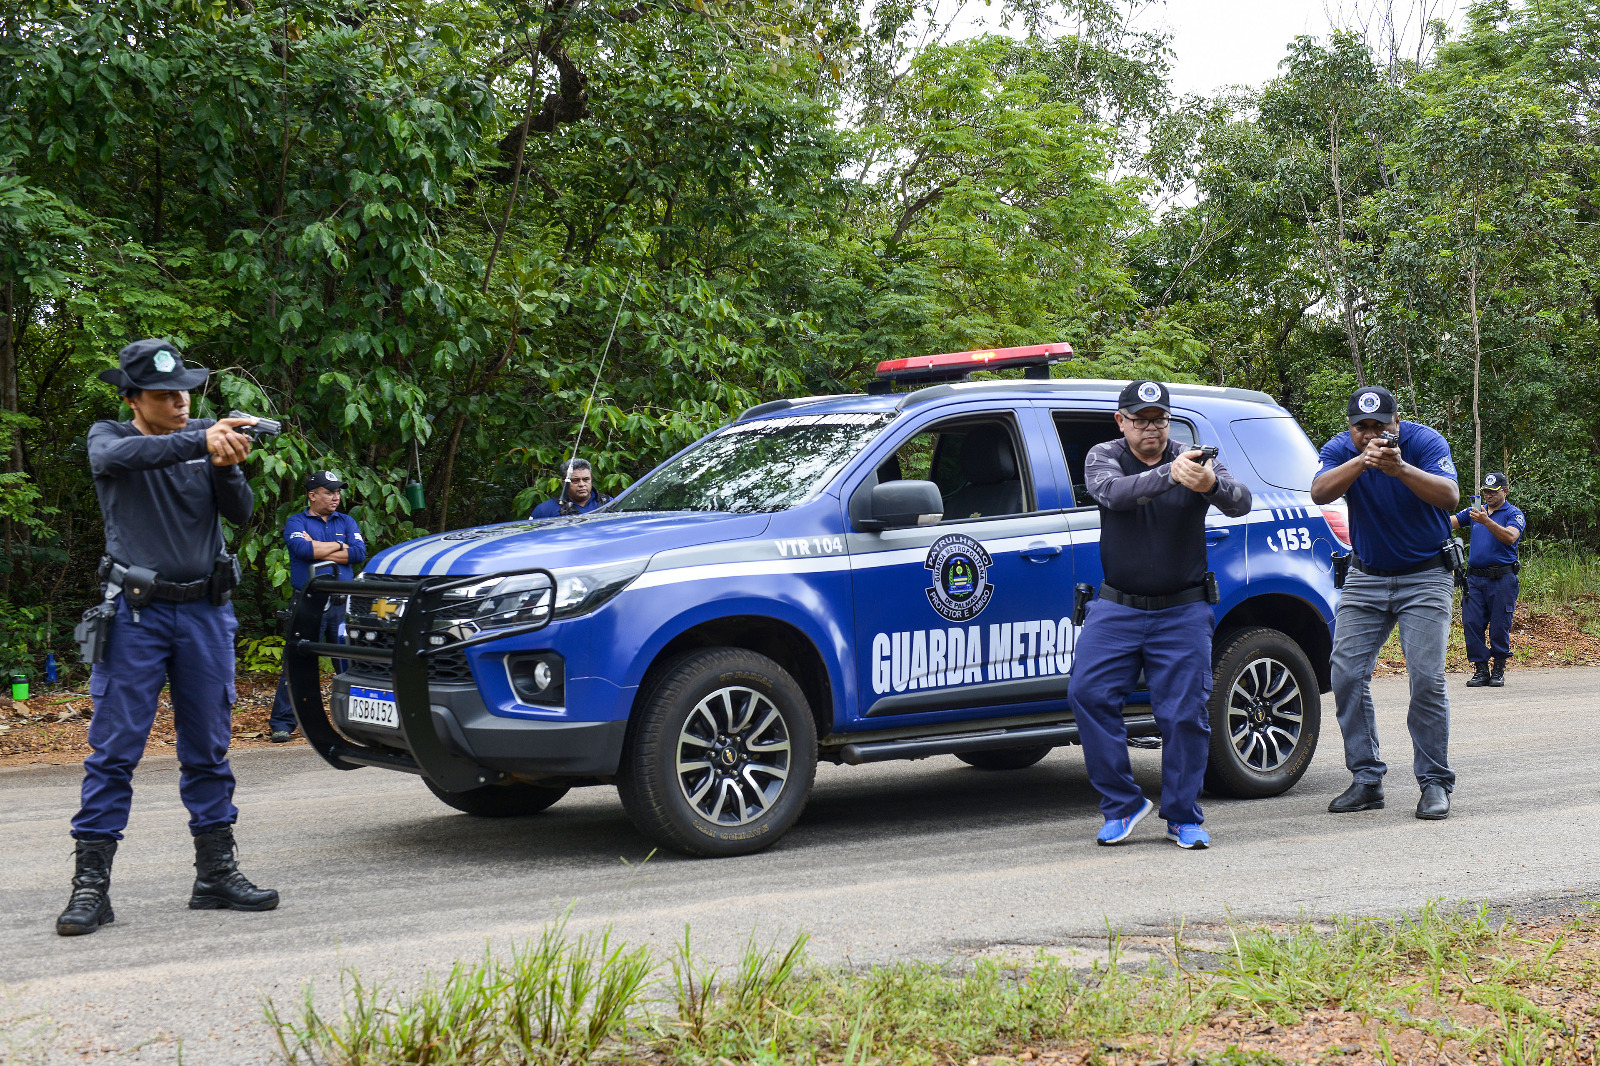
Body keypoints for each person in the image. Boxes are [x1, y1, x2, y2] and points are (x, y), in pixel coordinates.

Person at [59, 339, 278, 937]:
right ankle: (90, 888)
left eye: (184, 391)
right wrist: (201, 440)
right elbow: (117, 461)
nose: (180, 402)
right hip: (134, 613)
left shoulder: (206, 442)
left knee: (208, 747)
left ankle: (215, 875)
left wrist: (227, 463)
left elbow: (241, 513)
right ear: (133, 399)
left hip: (206, 613)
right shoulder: (109, 437)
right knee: (114, 751)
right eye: (163, 395)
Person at [1069, 379, 1253, 850]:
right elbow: (1114, 494)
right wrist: (1171, 475)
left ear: (1168, 420)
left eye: (1159, 419)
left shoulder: (1198, 459)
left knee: (1185, 716)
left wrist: (1209, 483)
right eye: (1139, 420)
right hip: (1116, 606)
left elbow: (1241, 502)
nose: (1150, 428)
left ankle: (1182, 816)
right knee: (1088, 693)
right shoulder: (1103, 455)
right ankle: (1123, 804)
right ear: (1121, 421)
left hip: (1183, 609)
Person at [1311, 385, 1460, 821]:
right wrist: (1361, 461)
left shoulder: (1426, 442)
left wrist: (1400, 470)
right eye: (1363, 427)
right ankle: (1366, 778)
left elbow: (1449, 496)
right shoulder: (1342, 448)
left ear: (1398, 421)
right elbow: (1319, 492)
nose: (1372, 434)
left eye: (1381, 426)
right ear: (1351, 427)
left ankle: (1434, 783)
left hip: (1426, 575)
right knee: (1345, 674)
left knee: (1426, 680)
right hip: (1366, 577)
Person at [269, 470, 367, 742]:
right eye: (328, 492)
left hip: (342, 602)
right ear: (312, 495)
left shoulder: (346, 520)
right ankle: (282, 723)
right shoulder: (296, 521)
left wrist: (321, 546)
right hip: (309, 602)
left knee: (349, 662)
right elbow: (303, 551)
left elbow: (359, 553)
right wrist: (339, 544)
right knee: (297, 661)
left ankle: (359, 723)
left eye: (337, 492)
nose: (335, 497)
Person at [1450, 472, 1524, 688]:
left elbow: (1510, 537)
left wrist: (1487, 521)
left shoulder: (1513, 513)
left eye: (1494, 491)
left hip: (1502, 578)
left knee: (1500, 624)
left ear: (1505, 491)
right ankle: (1481, 669)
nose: (1489, 495)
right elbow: (1450, 522)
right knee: (1471, 623)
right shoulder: (1475, 511)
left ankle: (1498, 668)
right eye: (1486, 492)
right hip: (1474, 579)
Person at [530, 458, 611, 518]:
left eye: (586, 479)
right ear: (564, 483)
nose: (582, 484)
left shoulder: (608, 503)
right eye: (575, 480)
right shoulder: (545, 510)